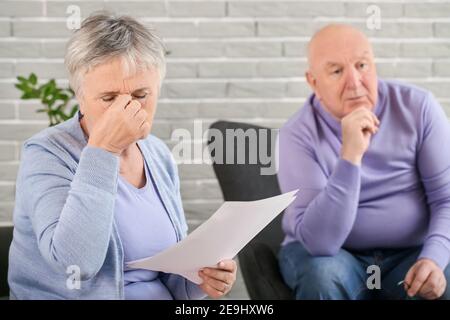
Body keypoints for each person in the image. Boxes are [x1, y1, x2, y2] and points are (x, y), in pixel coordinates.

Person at [8, 12, 236, 300]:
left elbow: (168, 276)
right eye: (109, 98)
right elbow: (76, 264)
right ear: (80, 96)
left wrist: (200, 280)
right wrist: (104, 150)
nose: (127, 111)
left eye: (141, 95)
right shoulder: (46, 153)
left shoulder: (157, 154)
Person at [277, 24, 450, 300]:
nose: (355, 82)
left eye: (362, 65)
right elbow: (320, 242)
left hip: (412, 253)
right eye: (336, 71)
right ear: (313, 82)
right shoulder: (296, 135)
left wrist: (434, 258)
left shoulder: (420, 108)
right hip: (332, 256)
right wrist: (350, 157)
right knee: (323, 276)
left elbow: (446, 199)